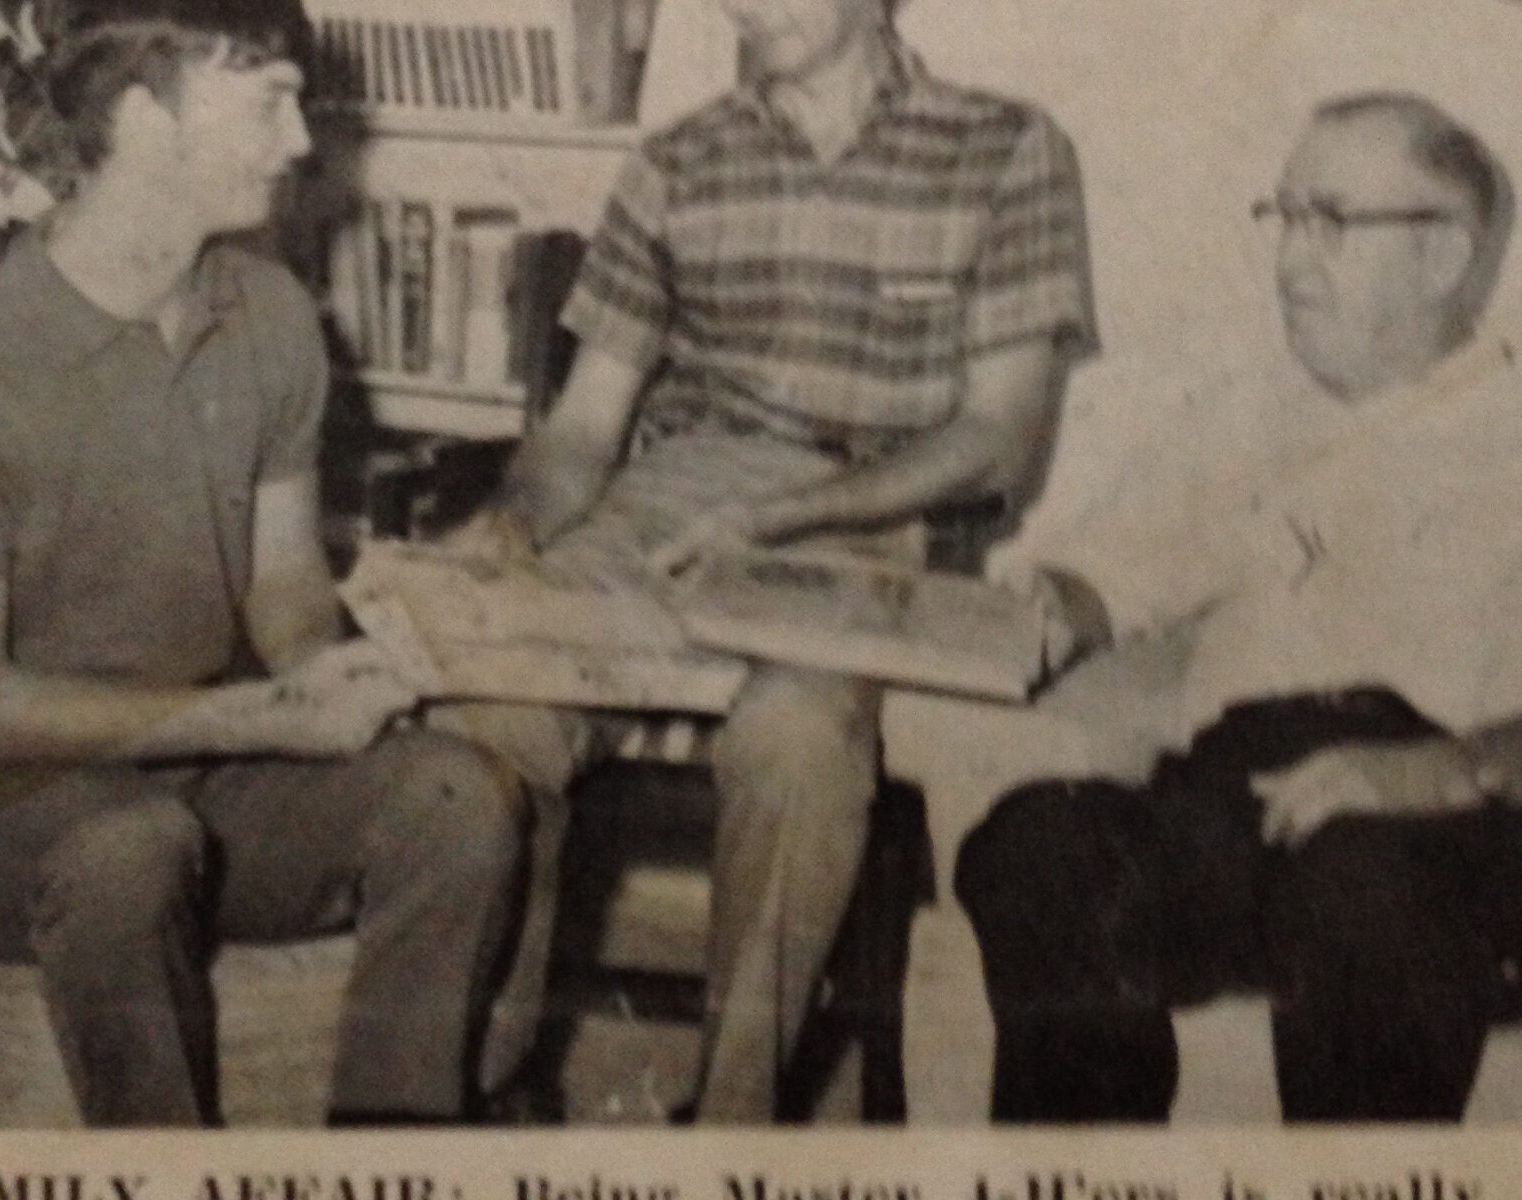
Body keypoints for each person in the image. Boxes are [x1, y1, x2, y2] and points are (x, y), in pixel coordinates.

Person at [953, 92, 1522, 1123]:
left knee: (1360, 874)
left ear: (1443, 256)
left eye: (1329, 221)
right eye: (1282, 217)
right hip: (1269, 806)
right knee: (1037, 847)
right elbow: (1098, 580)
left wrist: (1426, 774)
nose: (1288, 259)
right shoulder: (1237, 421)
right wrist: (1044, 609)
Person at [0, 0, 523, 1127]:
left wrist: (324, 674)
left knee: (458, 797)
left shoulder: (268, 313)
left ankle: (393, 1145)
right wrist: (262, 719)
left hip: (208, 775)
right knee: (132, 848)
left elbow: (283, 586)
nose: (301, 141)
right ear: (144, 119)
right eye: (269, 103)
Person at [441, 0, 1097, 1121]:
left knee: (797, 742)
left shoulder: (1005, 148)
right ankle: (487, 1088)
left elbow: (1000, 437)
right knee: (489, 707)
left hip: (875, 512)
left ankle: (729, 1122)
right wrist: (509, 527)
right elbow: (585, 432)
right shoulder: (674, 160)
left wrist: (785, 516)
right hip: (674, 499)